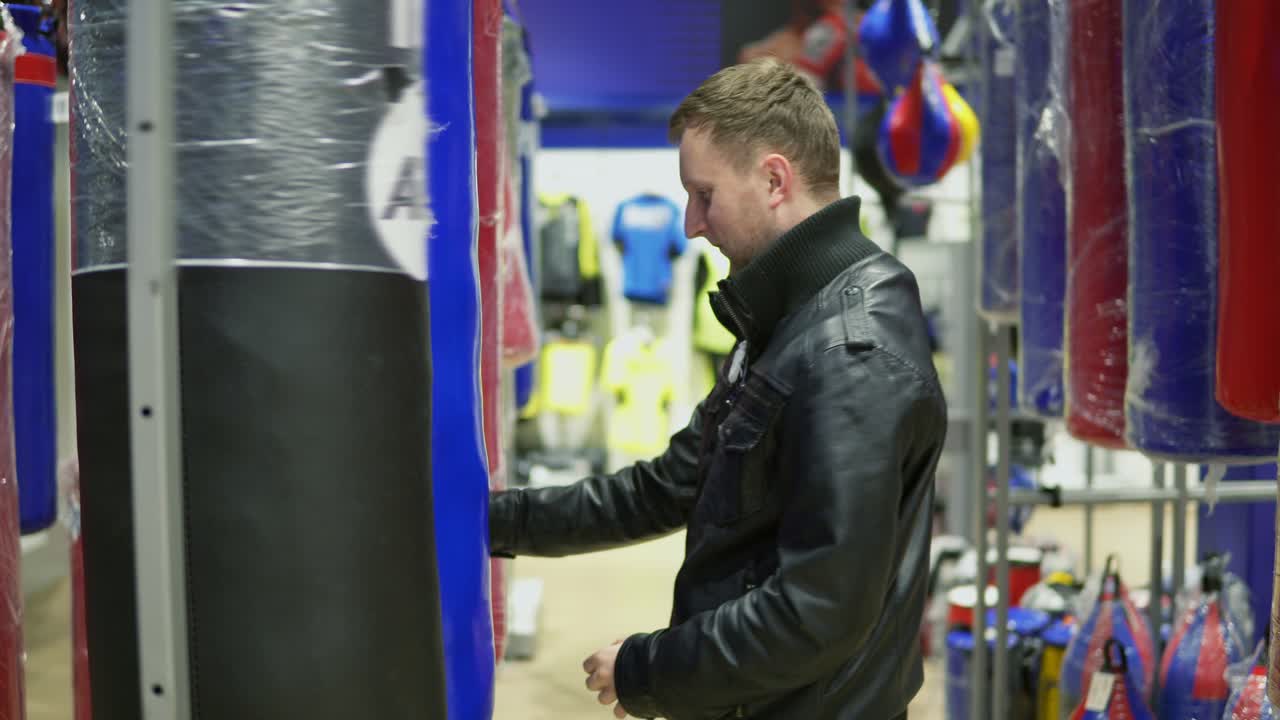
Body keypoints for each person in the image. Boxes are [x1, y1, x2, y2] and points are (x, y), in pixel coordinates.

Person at [489, 58, 947, 720]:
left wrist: (651, 668)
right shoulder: (787, 320)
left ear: (773, 180)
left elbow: (818, 611)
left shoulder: (850, 353)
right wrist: (488, 521)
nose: (690, 224)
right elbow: (671, 484)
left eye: (704, 195)